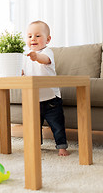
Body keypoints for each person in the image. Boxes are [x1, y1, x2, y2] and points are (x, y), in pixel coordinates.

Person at [22, 20, 69, 156]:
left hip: (51, 100)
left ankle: (62, 147)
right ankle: (35, 145)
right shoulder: (26, 56)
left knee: (57, 125)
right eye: (30, 36)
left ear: (48, 39)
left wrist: (36, 56)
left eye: (38, 36)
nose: (33, 39)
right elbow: (23, 72)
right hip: (33, 99)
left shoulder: (47, 52)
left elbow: (44, 59)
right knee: (34, 125)